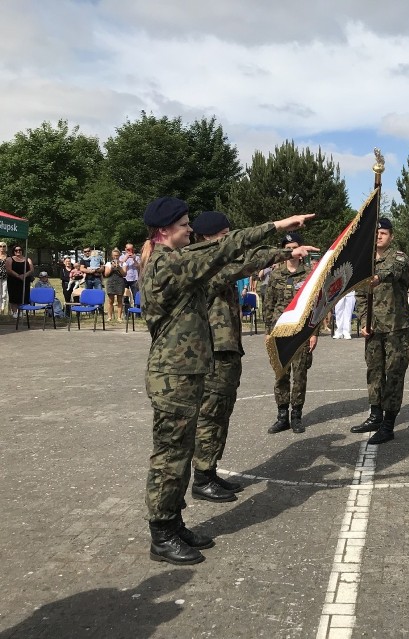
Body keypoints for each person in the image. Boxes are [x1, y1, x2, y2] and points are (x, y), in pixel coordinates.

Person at [140, 195, 313, 565]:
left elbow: (232, 259)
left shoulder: (179, 263)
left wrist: (282, 253)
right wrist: (278, 227)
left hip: (184, 373)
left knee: (181, 452)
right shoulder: (167, 263)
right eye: (185, 224)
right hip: (172, 376)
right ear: (165, 230)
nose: (190, 229)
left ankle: (173, 521)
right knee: (170, 456)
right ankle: (161, 534)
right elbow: (227, 248)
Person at [190, 210, 298, 502]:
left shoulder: (218, 260)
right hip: (212, 350)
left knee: (221, 413)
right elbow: (246, 263)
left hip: (226, 349)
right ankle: (201, 477)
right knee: (210, 414)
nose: (229, 240)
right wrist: (281, 252)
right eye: (224, 235)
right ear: (206, 238)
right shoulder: (202, 265)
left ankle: (209, 471)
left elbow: (244, 258)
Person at [352, 217, 409, 445]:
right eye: (376, 233)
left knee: (394, 374)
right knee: (374, 372)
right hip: (374, 329)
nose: (379, 236)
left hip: (396, 328)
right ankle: (375, 415)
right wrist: (364, 321)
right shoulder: (364, 261)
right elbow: (360, 294)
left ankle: (388, 425)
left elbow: (393, 270)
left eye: (384, 233)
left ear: (391, 236)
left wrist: (376, 277)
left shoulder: (399, 257)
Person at [264, 232, 319, 435]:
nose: (290, 251)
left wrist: (314, 333)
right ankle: (281, 417)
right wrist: (268, 332)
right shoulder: (276, 274)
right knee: (281, 374)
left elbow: (315, 306)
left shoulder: (308, 275)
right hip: (279, 332)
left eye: (294, 247)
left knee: (300, 374)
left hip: (301, 332)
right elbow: (268, 305)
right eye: (287, 248)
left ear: (301, 249)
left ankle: (296, 415)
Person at [5, 245, 34, 318]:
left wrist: (24, 275)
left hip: (25, 280)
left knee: (23, 296)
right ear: (13, 251)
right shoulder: (9, 259)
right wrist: (18, 276)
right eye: (16, 250)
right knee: (14, 296)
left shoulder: (27, 259)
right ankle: (14, 312)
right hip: (13, 280)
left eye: (20, 250)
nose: (18, 251)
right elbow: (8, 270)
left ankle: (21, 312)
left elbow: (31, 270)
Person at [103, 248, 127, 322]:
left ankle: (119, 317)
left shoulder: (123, 263)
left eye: (117, 255)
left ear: (119, 255)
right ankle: (110, 317)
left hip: (120, 282)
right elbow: (106, 274)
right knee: (110, 300)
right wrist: (112, 267)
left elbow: (124, 274)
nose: (115, 257)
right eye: (114, 255)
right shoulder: (108, 263)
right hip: (111, 282)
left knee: (120, 300)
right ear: (112, 256)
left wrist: (119, 267)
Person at [0, 242, 7, 314]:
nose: (2, 247)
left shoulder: (8, 257)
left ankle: (2, 308)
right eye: (0, 246)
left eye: (4, 246)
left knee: (4, 293)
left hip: (5, 277)